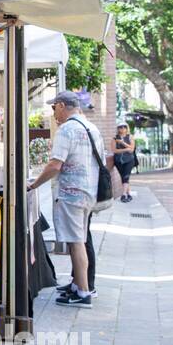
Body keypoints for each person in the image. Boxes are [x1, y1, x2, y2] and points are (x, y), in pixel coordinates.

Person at [27, 91, 110, 309]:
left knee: (76, 242)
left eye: (54, 108)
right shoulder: (91, 127)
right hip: (89, 192)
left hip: (72, 193)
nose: (54, 113)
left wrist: (34, 184)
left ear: (62, 105)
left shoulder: (67, 129)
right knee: (80, 239)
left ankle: (83, 291)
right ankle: (77, 285)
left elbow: (55, 164)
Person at [112, 124, 136, 203]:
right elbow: (114, 150)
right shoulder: (115, 138)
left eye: (124, 127)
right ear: (118, 128)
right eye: (120, 127)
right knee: (123, 177)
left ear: (127, 128)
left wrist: (122, 143)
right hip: (118, 161)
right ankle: (129, 194)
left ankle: (123, 194)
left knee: (126, 176)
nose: (122, 128)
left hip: (129, 160)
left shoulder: (130, 137)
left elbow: (132, 149)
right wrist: (126, 149)